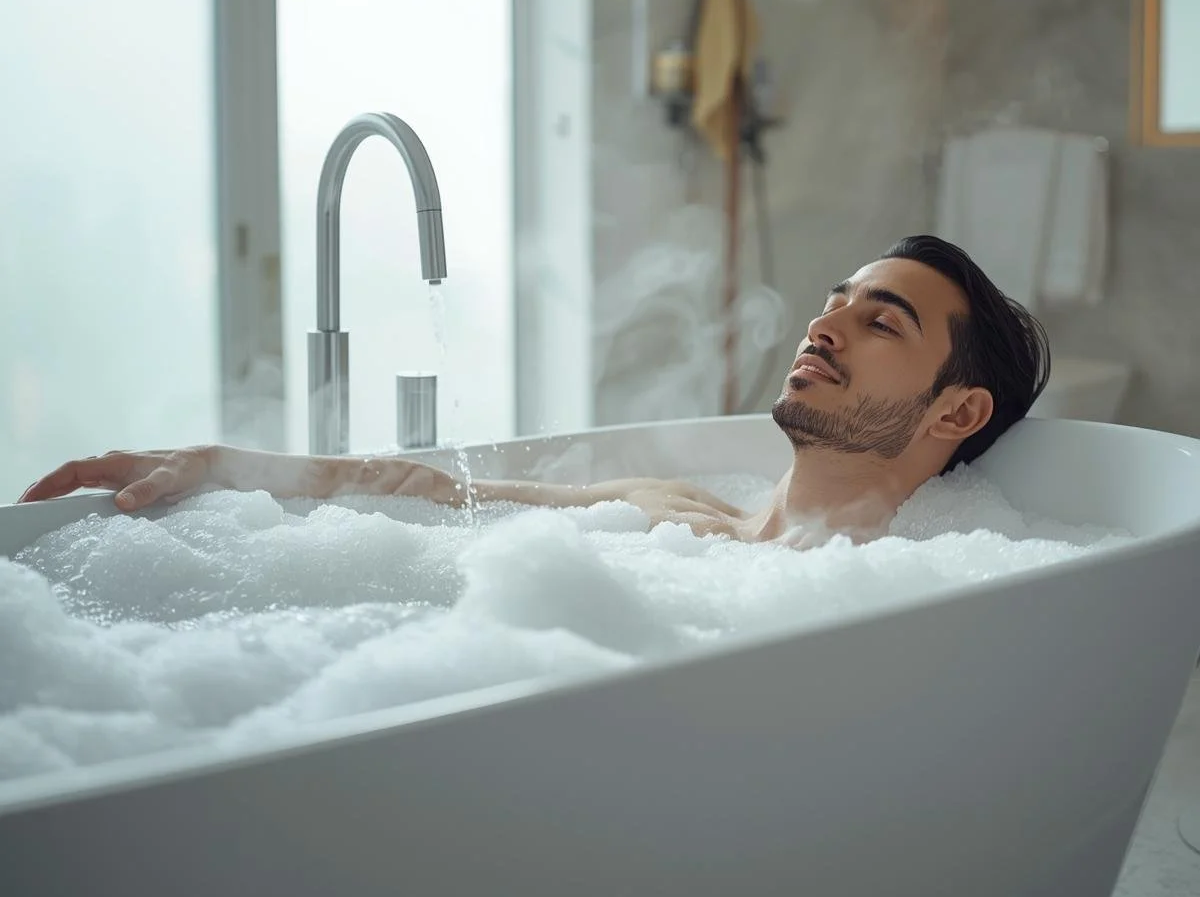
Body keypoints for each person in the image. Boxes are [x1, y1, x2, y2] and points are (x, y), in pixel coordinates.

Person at [18, 235, 1050, 545]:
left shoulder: (924, 584)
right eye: (832, 302)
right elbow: (438, 494)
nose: (824, 326)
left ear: (957, 412)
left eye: (882, 322)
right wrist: (223, 466)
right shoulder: (675, 515)